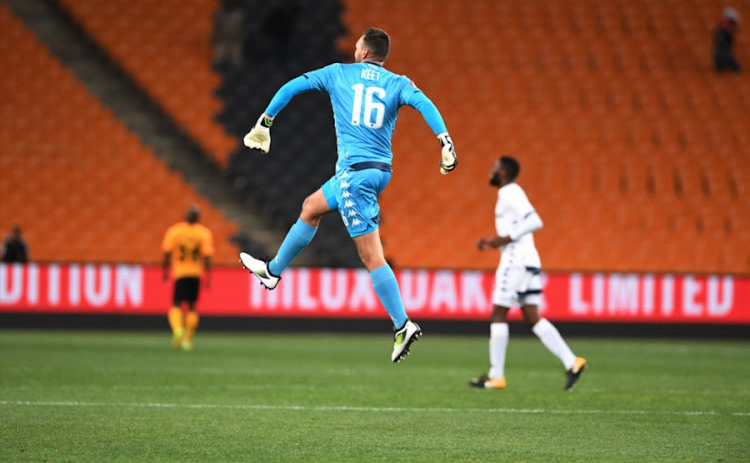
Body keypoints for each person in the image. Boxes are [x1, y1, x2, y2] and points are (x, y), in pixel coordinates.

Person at [240, 27, 458, 363]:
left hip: (355, 177)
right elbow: (424, 103)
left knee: (372, 257)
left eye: (357, 46)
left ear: (364, 52)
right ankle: (272, 272)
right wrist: (444, 141)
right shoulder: (398, 82)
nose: (355, 50)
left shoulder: (337, 72)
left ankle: (403, 324)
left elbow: (292, 86)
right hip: (373, 171)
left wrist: (265, 122)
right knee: (311, 207)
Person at [469, 156, 587, 391]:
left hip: (515, 261)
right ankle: (572, 362)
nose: (490, 172)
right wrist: (495, 241)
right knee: (532, 318)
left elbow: (535, 220)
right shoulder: (511, 193)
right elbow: (519, 227)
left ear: (503, 172)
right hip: (528, 260)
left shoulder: (509, 192)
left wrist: (506, 238)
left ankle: (496, 375)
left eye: (494, 168)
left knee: (498, 314)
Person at [162, 205, 214, 351]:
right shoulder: (203, 233)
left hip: (180, 273)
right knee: (192, 306)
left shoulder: (175, 231)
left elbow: (167, 253)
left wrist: (165, 271)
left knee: (176, 303)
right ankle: (186, 339)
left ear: (185, 215)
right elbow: (207, 257)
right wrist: (209, 276)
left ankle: (178, 330)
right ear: (198, 217)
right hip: (195, 273)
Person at [713, 7, 741, 73]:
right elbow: (721, 41)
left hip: (723, 52)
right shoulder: (721, 30)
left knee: (735, 70)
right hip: (722, 52)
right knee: (736, 70)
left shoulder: (723, 29)